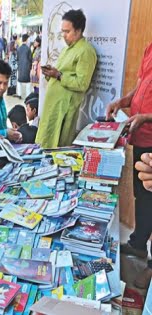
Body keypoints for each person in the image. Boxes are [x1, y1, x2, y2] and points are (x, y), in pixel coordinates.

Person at [105, 41, 152, 289]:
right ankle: (138, 243)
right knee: (142, 195)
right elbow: (141, 86)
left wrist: (146, 117)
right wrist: (123, 102)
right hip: (142, 137)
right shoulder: (149, 48)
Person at [36, 9, 97, 148]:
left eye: (67, 31)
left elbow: (82, 84)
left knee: (57, 147)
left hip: (64, 109)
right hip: (53, 106)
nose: (63, 35)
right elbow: (60, 75)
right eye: (62, 31)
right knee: (44, 144)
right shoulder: (66, 50)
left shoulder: (86, 51)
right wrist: (50, 74)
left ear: (79, 30)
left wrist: (57, 75)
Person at [16, 34, 32, 100]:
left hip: (20, 66)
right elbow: (30, 58)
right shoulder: (28, 49)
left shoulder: (19, 48)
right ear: (27, 39)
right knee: (28, 82)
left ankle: (19, 94)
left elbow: (17, 58)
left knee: (19, 81)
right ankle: (28, 95)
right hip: (27, 66)